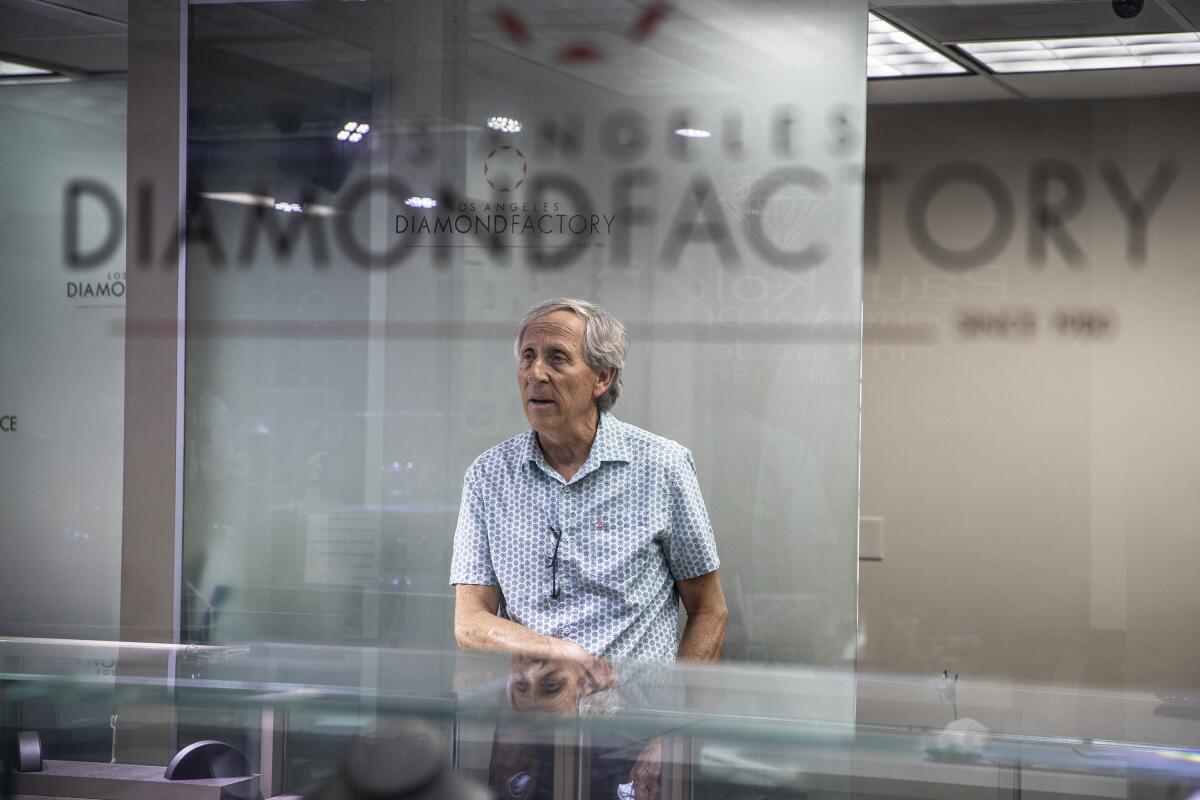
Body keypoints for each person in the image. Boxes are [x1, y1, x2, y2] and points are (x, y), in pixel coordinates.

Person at [450, 298, 728, 672]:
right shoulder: (489, 476)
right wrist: (555, 651)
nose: (536, 373)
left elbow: (709, 610)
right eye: (528, 356)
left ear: (602, 377)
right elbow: (470, 623)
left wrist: (677, 713)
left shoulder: (662, 466)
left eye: (558, 358)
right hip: (533, 719)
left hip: (636, 724)